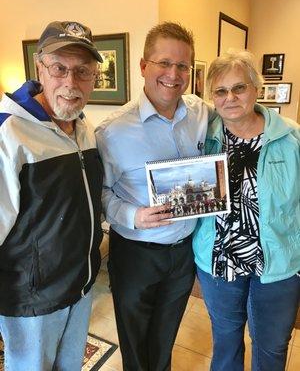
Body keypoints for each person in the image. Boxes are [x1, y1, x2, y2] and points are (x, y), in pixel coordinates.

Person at [96, 22, 211, 371]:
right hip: (135, 254)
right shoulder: (112, 132)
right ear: (144, 66)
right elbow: (100, 193)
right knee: (135, 342)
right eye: (164, 63)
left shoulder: (201, 113)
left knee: (165, 337)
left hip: (183, 253)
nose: (173, 75)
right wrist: (134, 215)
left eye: (182, 66)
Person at [0, 21, 104, 371]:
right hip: (33, 300)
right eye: (60, 68)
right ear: (40, 69)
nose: (71, 84)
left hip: (81, 285)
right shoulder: (9, 134)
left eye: (83, 71)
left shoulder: (84, 127)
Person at [193, 49, 300, 371]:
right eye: (221, 91)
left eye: (239, 87)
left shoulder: (290, 138)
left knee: (271, 346)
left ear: (255, 88)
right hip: (218, 263)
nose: (230, 98)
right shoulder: (203, 138)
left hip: (277, 264)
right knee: (225, 341)